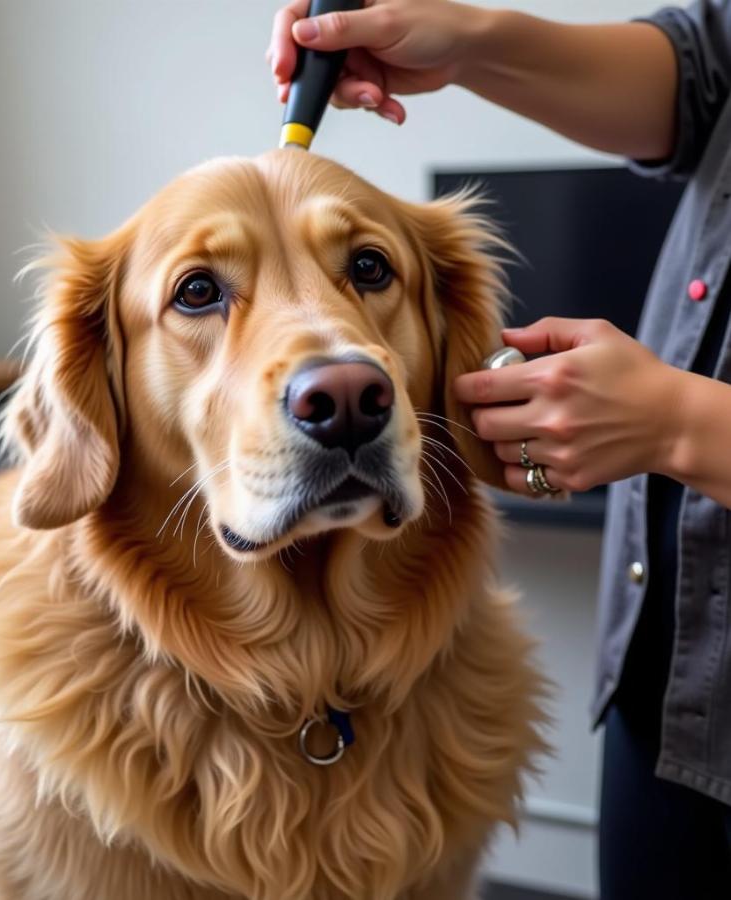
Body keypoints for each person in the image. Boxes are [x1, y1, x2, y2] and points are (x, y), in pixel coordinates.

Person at [268, 3, 731, 898]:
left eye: (369, 272)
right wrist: (469, 39)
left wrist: (685, 426)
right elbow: (703, 74)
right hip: (662, 666)